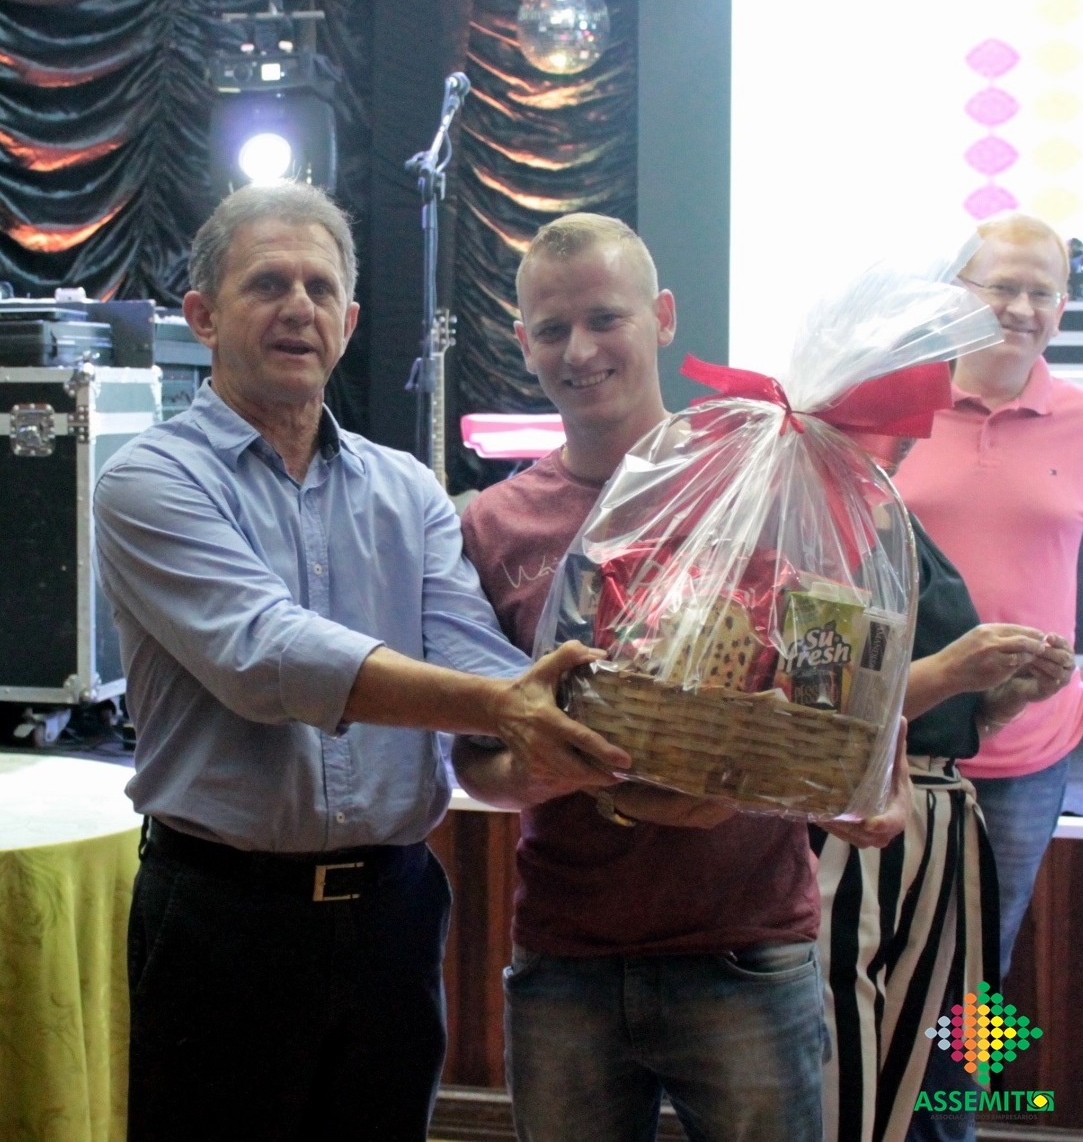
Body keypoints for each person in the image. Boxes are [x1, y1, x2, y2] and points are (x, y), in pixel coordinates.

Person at [92, 182, 631, 1142]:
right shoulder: (149, 478)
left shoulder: (407, 489)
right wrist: (505, 704)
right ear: (203, 317)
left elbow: (473, 657)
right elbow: (264, 656)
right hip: (222, 917)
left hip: (393, 913)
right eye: (267, 284)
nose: (297, 307)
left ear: (347, 323)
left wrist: (594, 732)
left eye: (319, 287)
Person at [453, 213, 905, 1142]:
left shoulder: (764, 484)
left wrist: (871, 784)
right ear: (522, 342)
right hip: (566, 957)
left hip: (746, 950)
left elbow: (845, 678)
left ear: (661, 316)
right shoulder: (493, 525)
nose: (579, 351)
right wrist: (551, 766)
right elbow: (471, 762)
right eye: (552, 329)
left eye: (605, 319)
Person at [814, 427, 1074, 1142]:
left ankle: (951, 1124)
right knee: (876, 1011)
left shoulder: (892, 509)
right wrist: (956, 674)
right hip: (879, 806)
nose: (914, 428)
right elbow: (824, 703)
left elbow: (931, 704)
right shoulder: (826, 517)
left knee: (970, 988)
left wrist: (1000, 699)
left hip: (975, 788)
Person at [894, 213, 1083, 981]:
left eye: (1042, 293)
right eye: (1001, 286)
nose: (1021, 308)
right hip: (902, 733)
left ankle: (957, 1071)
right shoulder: (892, 409)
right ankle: (896, 1070)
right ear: (955, 294)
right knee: (882, 949)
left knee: (981, 961)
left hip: (1028, 751)